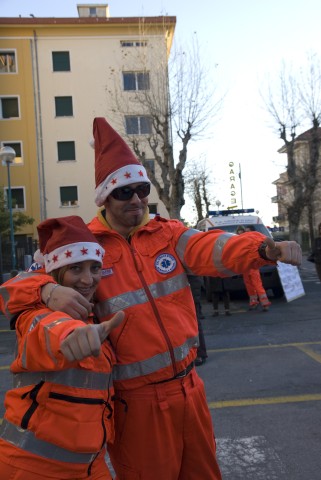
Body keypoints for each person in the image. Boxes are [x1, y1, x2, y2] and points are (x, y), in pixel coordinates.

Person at [0, 118, 302, 480]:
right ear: (105, 198)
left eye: (141, 188)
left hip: (190, 389)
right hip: (136, 404)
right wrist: (47, 290)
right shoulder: (84, 246)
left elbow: (215, 248)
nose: (137, 199)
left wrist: (263, 249)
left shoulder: (168, 233)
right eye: (124, 192)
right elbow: (20, 287)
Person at [0, 215, 124, 480]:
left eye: (94, 268)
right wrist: (73, 336)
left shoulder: (93, 315)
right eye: (76, 268)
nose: (88, 279)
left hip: (91, 465)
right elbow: (48, 329)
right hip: (31, 467)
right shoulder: (35, 314)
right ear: (56, 274)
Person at [236, 225, 272, 311]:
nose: (241, 235)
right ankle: (253, 302)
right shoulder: (240, 241)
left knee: (257, 284)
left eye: (242, 233)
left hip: (253, 265)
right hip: (245, 266)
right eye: (239, 234)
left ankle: (265, 304)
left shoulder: (252, 240)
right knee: (249, 285)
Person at [187, 274, 208, 366]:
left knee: (195, 325)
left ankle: (199, 354)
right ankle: (199, 353)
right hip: (192, 293)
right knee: (194, 324)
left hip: (191, 295)